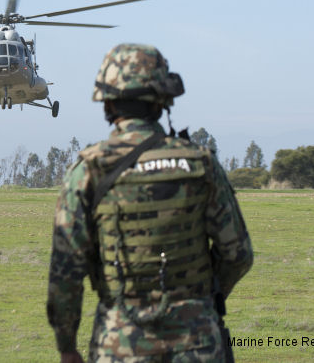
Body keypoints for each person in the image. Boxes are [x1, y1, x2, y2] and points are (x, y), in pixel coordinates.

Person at [47, 44, 253, 362]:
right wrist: (205, 300)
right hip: (196, 343)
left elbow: (66, 272)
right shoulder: (200, 163)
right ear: (162, 101)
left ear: (107, 101)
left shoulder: (90, 169)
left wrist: (66, 345)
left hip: (119, 345)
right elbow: (237, 254)